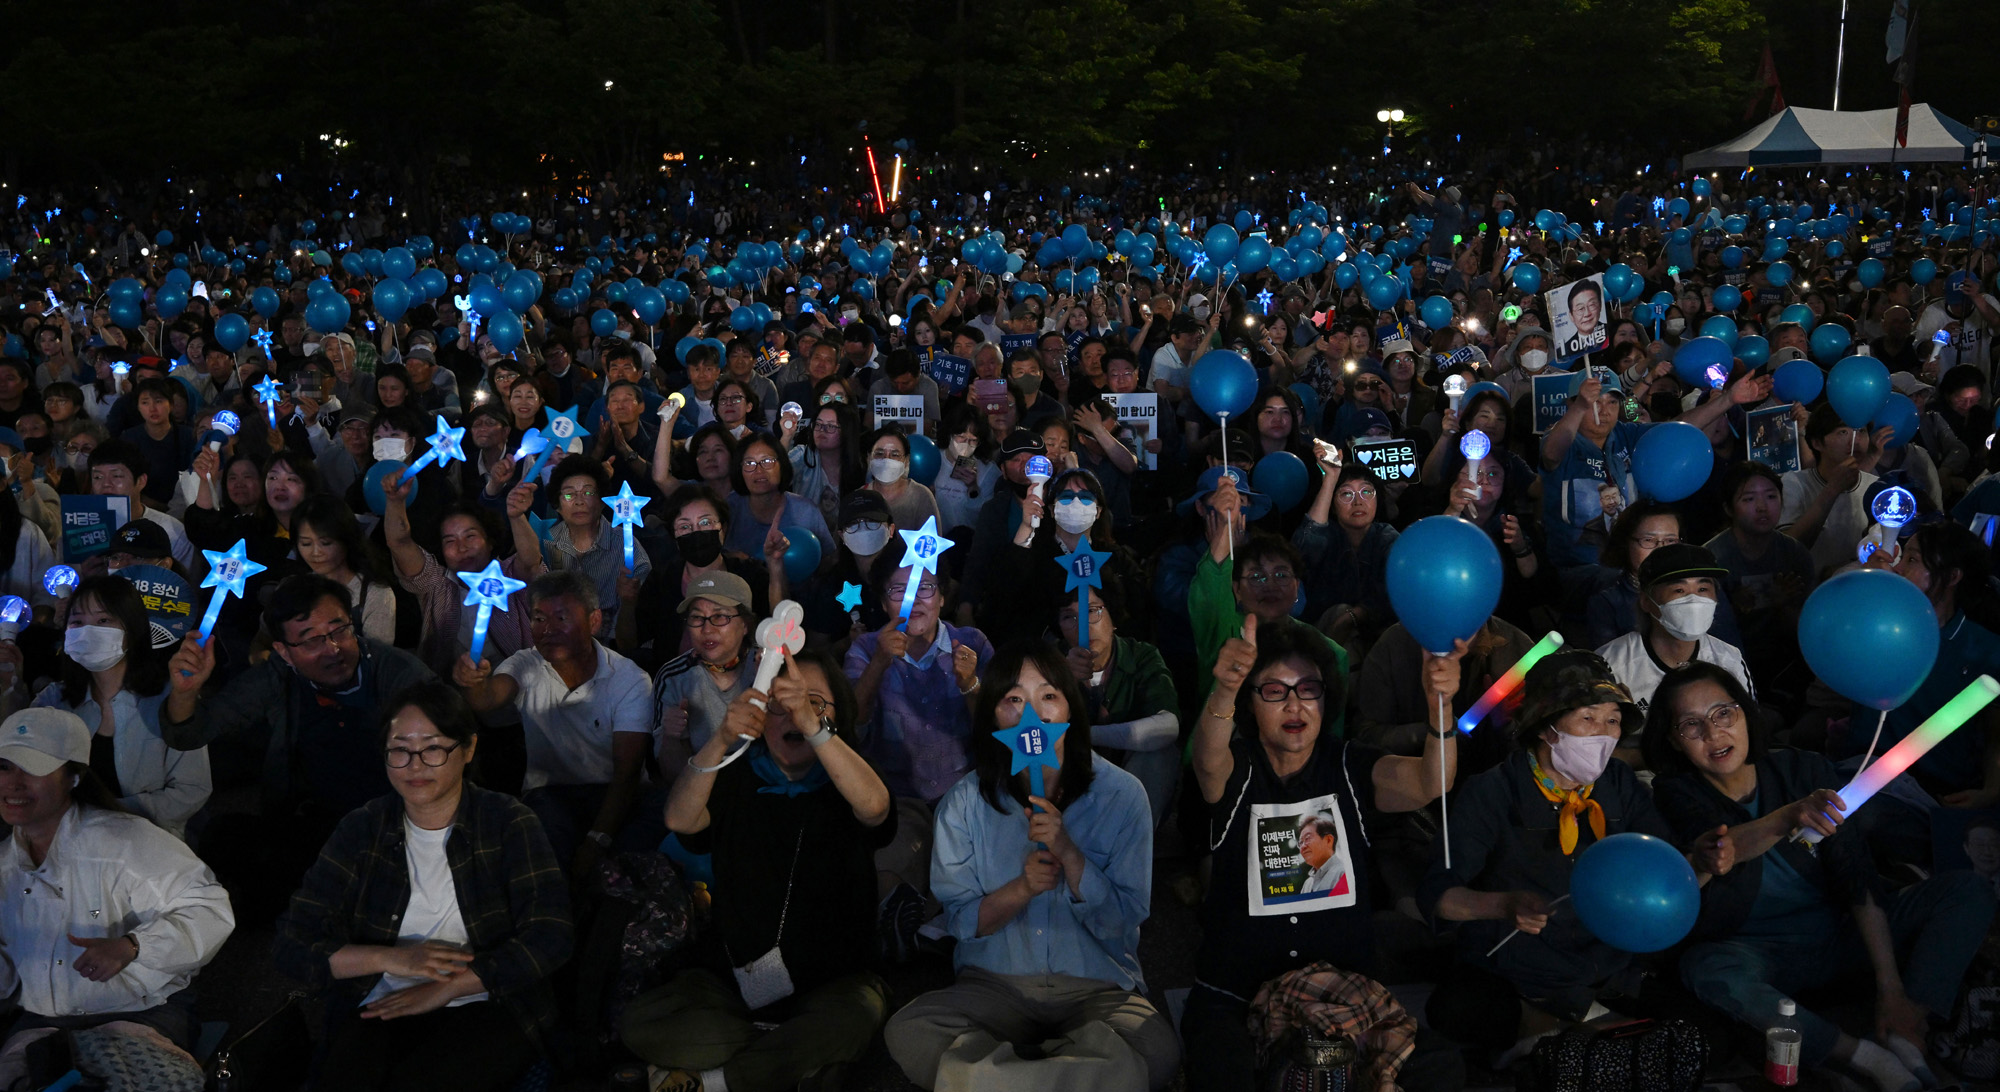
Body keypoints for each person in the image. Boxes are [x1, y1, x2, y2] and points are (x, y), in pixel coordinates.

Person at [1645, 663, 1995, 1092]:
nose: (1713, 733)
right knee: (1703, 968)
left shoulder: (1803, 769)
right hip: (1755, 955)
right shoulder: (1675, 793)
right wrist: (1788, 816)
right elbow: (1723, 848)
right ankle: (1863, 1056)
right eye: (1690, 725)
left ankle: (1909, 1025)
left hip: (1836, 936)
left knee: (1966, 890)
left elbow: (1857, 877)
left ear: (1745, 713)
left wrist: (1892, 990)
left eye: (1723, 713)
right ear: (1673, 741)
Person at [1180, 616, 1466, 1092]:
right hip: (1237, 995)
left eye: (1308, 689)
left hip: (1343, 995)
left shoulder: (1349, 765)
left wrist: (1441, 705)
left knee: (1440, 1068)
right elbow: (1209, 759)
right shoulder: (1239, 767)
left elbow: (1430, 782)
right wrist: (1224, 688)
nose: (1294, 704)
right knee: (1224, 1075)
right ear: (1251, 703)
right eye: (1274, 690)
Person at [885, 645, 1178, 1092]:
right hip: (995, 986)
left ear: (1069, 709)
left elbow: (1124, 920)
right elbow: (961, 923)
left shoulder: (1122, 795)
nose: (1031, 715)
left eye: (1048, 696)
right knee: (909, 1031)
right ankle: (1077, 1072)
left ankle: (993, 1077)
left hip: (1096, 986)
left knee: (1156, 1047)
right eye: (1013, 699)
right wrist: (1021, 888)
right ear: (994, 717)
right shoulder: (964, 802)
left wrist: (1070, 853)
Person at [1419, 650, 1726, 1061]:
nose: (1602, 732)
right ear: (1546, 727)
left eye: (1612, 721)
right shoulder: (1493, 791)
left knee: (1711, 1037)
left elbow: (1663, 867)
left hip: (1611, 967)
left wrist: (1699, 863)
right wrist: (1504, 905)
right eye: (1587, 718)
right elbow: (1438, 894)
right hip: (1519, 971)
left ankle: (1577, 1035)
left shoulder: (1617, 783)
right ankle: (1559, 1031)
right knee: (1457, 1009)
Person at [274, 681, 573, 1092]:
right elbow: (291, 943)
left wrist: (448, 986)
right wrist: (395, 960)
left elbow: (551, 935)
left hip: (490, 1000)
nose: (415, 765)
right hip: (380, 1000)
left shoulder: (506, 822)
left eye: (433, 748)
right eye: (400, 749)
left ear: (467, 750)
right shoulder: (363, 828)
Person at [624, 650, 896, 1092]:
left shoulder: (850, 779)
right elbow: (679, 820)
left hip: (832, 985)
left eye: (812, 701)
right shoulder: (736, 778)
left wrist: (813, 725)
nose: (793, 712)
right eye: (778, 703)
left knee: (852, 1017)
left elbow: (875, 806)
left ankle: (715, 1081)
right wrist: (721, 737)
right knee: (641, 1023)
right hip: (735, 982)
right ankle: (790, 1061)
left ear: (835, 715)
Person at [162, 573, 436, 921]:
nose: (332, 648)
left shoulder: (400, 673)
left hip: (397, 824)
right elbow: (189, 734)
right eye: (310, 641)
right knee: (224, 838)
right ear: (283, 651)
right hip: (314, 818)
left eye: (340, 630)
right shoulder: (279, 674)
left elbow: (448, 757)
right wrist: (185, 692)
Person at [0, 707, 233, 1089]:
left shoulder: (125, 841)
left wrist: (133, 946)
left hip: (140, 1013)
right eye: (5, 767)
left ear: (74, 776)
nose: (14, 783)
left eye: (34, 769)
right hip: (42, 1020)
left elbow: (208, 908)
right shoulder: (4, 867)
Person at [455, 570, 654, 868]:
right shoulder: (526, 663)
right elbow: (487, 700)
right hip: (550, 794)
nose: (548, 630)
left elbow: (626, 775)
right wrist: (472, 682)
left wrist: (597, 840)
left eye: (561, 618)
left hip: (614, 793)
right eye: (538, 618)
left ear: (594, 621)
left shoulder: (630, 680)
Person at [20, 576, 209, 839]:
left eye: (103, 621)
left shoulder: (173, 697)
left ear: (132, 629)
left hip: (151, 846)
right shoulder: (54, 701)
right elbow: (19, 767)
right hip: (69, 842)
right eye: (77, 622)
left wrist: (104, 817)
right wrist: (7, 687)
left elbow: (192, 789)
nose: (88, 631)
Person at [383, 474, 544, 678]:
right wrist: (395, 502)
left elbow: (530, 562)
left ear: (490, 540)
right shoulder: (437, 583)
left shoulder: (509, 574)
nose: (462, 547)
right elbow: (399, 543)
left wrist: (516, 516)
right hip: (450, 689)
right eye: (450, 541)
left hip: (518, 683)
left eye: (470, 536)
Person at [1594, 543, 1754, 725]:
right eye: (1679, 590)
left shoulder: (1729, 659)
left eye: (1703, 589)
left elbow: (1748, 729)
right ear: (1646, 601)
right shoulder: (1610, 665)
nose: (1694, 600)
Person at [545, 455, 648, 647]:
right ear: (557, 505)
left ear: (602, 502)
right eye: (569, 494)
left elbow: (629, 643)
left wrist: (628, 602)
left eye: (588, 493)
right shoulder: (545, 544)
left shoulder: (626, 547)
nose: (579, 501)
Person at [1780, 405, 1891, 575]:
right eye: (1843, 432)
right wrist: (1832, 489)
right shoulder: (1794, 483)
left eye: (1861, 431)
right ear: (1817, 443)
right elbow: (1786, 549)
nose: (1855, 440)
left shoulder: (1876, 487)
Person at [293, 494, 399, 645]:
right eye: (306, 544)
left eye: (326, 543)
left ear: (346, 539)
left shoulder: (375, 594)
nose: (316, 552)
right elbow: (266, 635)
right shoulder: (295, 587)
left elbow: (377, 658)